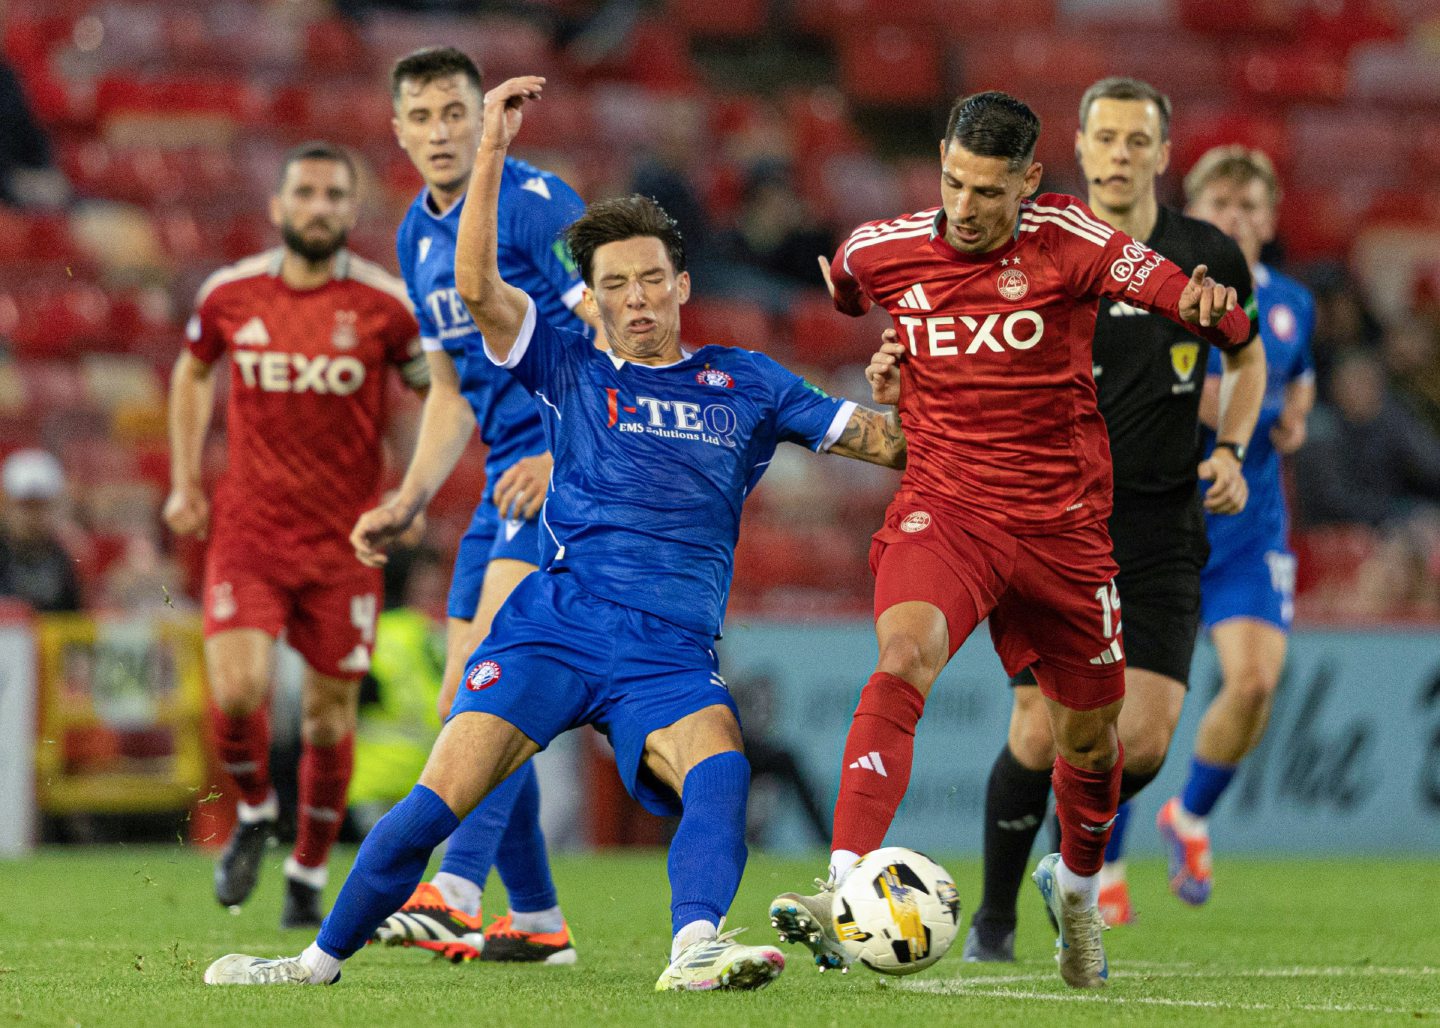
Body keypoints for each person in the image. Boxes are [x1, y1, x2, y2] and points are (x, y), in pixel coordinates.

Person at [203, 74, 907, 993]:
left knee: (723, 770)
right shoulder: (566, 361)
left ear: (683, 283)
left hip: (667, 649)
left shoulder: (751, 382)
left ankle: (694, 944)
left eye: (653, 278)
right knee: (432, 801)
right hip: (555, 625)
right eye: (616, 284)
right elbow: (476, 286)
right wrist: (489, 149)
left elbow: (885, 445)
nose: (638, 298)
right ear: (596, 296)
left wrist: (906, 386)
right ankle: (312, 962)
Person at [769, 89, 1253, 991]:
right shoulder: (888, 246)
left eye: (988, 191)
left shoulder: (1073, 240)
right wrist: (892, 350)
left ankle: (1075, 892)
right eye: (954, 182)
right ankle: (845, 885)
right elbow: (845, 285)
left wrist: (1212, 307)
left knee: (1093, 744)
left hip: (1068, 531)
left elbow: (1178, 295)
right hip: (949, 511)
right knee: (904, 653)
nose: (965, 206)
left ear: (1029, 180)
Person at [949, 78, 1265, 960]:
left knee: (1146, 743)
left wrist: (1233, 448)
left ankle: (1071, 858)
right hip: (1046, 521)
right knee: (1039, 730)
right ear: (1078, 152)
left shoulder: (1207, 258)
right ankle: (997, 919)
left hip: (1160, 526)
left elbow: (1247, 358)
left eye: (1138, 140)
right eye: (1107, 138)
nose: (1121, 154)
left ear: (1165, 154)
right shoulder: (1028, 243)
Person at [348, 45, 595, 966]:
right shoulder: (417, 233)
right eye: (423, 118)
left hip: (566, 475)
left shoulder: (539, 205)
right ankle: (535, 919)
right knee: (473, 705)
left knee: (477, 693)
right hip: (501, 484)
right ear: (400, 132)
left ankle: (456, 889)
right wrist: (410, 497)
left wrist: (566, 453)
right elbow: (448, 390)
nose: (442, 132)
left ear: (481, 118)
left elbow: (611, 336)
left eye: (457, 112)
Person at [164, 141, 429, 930]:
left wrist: (408, 494)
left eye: (334, 195)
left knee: (326, 719)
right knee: (239, 691)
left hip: (345, 547)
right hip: (249, 534)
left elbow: (432, 394)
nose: (319, 207)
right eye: (305, 193)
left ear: (353, 210)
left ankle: (309, 870)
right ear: (278, 207)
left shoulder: (387, 306)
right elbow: (189, 372)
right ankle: (252, 813)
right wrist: (184, 480)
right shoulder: (230, 294)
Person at [1107, 144, 1314, 914]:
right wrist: (1247, 406)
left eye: (1250, 206)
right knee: (1131, 719)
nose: (1236, 217)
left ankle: (1187, 815)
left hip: (1249, 530)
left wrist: (1293, 413)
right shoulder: (1157, 294)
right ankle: (1105, 868)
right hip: (1160, 521)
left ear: (1269, 219)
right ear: (1196, 211)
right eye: (1222, 204)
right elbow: (1192, 395)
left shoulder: (1292, 301)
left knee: (1257, 682)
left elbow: (1297, 378)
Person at [0, 449, 82, 612]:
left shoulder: (65, 558)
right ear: (5, 504)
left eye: (41, 506)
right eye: (26, 506)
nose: (34, 515)